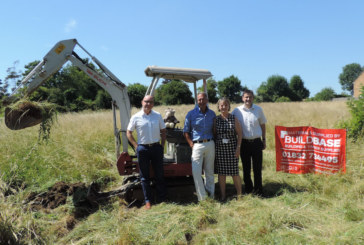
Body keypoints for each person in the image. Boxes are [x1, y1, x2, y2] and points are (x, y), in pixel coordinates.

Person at [127, 95, 167, 209]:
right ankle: (148, 200)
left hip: (156, 148)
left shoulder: (157, 116)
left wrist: (162, 146)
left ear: (153, 104)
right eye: (146, 101)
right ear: (142, 102)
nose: (148, 104)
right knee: (144, 176)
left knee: (159, 174)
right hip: (143, 149)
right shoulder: (136, 117)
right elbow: (129, 132)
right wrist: (136, 146)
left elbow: (163, 131)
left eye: (150, 102)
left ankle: (161, 198)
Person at [232, 89, 267, 195]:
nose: (248, 99)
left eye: (250, 97)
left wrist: (264, 140)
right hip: (244, 143)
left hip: (256, 142)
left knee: (257, 168)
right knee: (246, 168)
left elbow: (263, 125)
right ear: (242, 98)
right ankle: (248, 189)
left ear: (253, 98)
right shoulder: (236, 111)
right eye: (246, 97)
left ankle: (258, 190)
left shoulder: (258, 109)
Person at [183, 92, 216, 201]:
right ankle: (203, 198)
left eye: (203, 99)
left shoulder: (212, 114)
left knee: (209, 172)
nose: (201, 101)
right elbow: (186, 131)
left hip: (210, 143)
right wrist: (191, 144)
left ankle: (211, 195)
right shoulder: (191, 114)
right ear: (197, 101)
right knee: (196, 172)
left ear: (207, 100)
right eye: (199, 100)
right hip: (197, 145)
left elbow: (214, 130)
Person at [214, 97, 243, 201]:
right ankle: (223, 195)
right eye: (221, 105)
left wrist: (238, 148)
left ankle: (239, 195)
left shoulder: (233, 118)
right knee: (221, 174)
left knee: (234, 172)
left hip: (232, 149)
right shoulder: (216, 119)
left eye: (225, 105)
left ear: (228, 106)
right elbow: (214, 134)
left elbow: (240, 134)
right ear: (218, 107)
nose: (223, 107)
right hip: (220, 150)